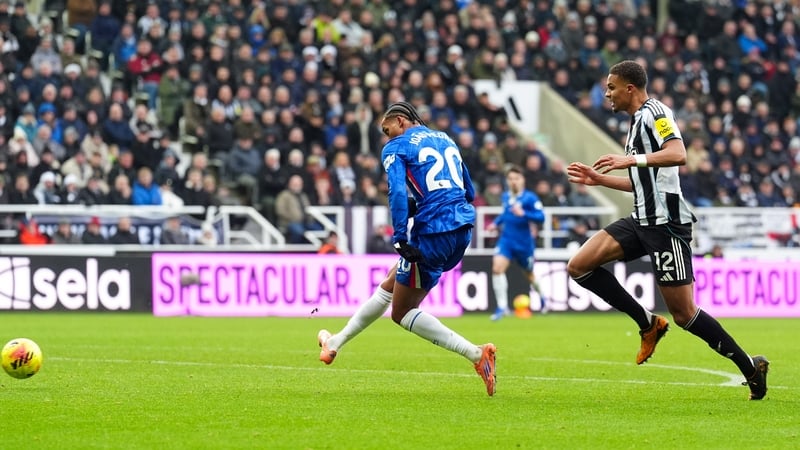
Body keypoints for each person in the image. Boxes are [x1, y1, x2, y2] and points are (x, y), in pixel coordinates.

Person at [565, 60, 768, 400]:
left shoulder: (655, 112)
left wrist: (628, 160)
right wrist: (600, 180)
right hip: (641, 219)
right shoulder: (634, 123)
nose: (607, 93)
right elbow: (644, 183)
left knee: (685, 314)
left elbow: (678, 153)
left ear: (630, 88)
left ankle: (751, 367)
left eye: (612, 87)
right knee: (579, 266)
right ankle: (648, 324)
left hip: (666, 225)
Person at [316, 102, 497, 396]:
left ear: (400, 121)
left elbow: (397, 192)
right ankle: (335, 343)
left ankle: (477, 355)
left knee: (402, 312)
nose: (388, 138)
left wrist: (400, 236)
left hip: (434, 232)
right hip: (462, 229)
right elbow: (470, 192)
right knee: (391, 283)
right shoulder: (445, 138)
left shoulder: (396, 148)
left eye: (388, 131)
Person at [486, 164, 547, 320]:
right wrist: (496, 223)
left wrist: (524, 213)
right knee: (497, 268)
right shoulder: (506, 196)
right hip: (506, 240)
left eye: (516, 178)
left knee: (529, 275)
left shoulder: (530, 198)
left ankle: (542, 297)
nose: (513, 182)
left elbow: (541, 217)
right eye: (511, 178)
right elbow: (506, 214)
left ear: (522, 180)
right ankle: (501, 307)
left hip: (524, 244)